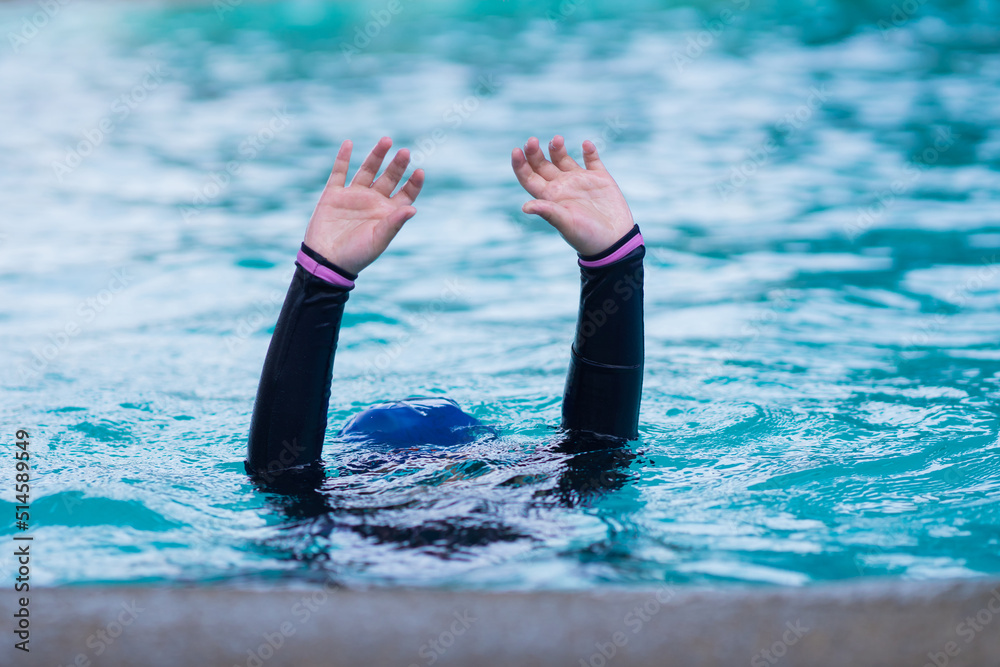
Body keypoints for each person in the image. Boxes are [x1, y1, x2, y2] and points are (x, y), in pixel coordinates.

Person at [245, 135, 645, 481]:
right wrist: (614, 265)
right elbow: (600, 449)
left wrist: (320, 282)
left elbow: (282, 474)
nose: (442, 482)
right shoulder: (545, 496)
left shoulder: (333, 520)